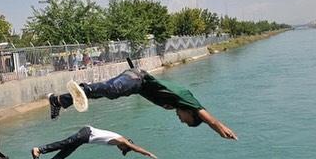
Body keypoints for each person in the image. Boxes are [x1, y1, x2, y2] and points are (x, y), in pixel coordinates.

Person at [48, 66, 238, 140]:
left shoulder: (176, 104)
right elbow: (209, 119)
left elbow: (203, 118)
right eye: (186, 121)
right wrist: (223, 130)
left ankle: (58, 101)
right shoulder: (187, 99)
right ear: (192, 113)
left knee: (110, 94)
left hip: (135, 87)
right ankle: (86, 87)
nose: (181, 120)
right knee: (111, 89)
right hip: (138, 78)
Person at [31, 126, 157, 159]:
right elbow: (134, 147)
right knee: (65, 144)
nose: (120, 150)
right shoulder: (121, 140)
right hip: (86, 134)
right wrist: (147, 153)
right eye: (123, 149)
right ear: (125, 145)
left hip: (85, 138)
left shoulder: (118, 140)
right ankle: (39, 150)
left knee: (67, 151)